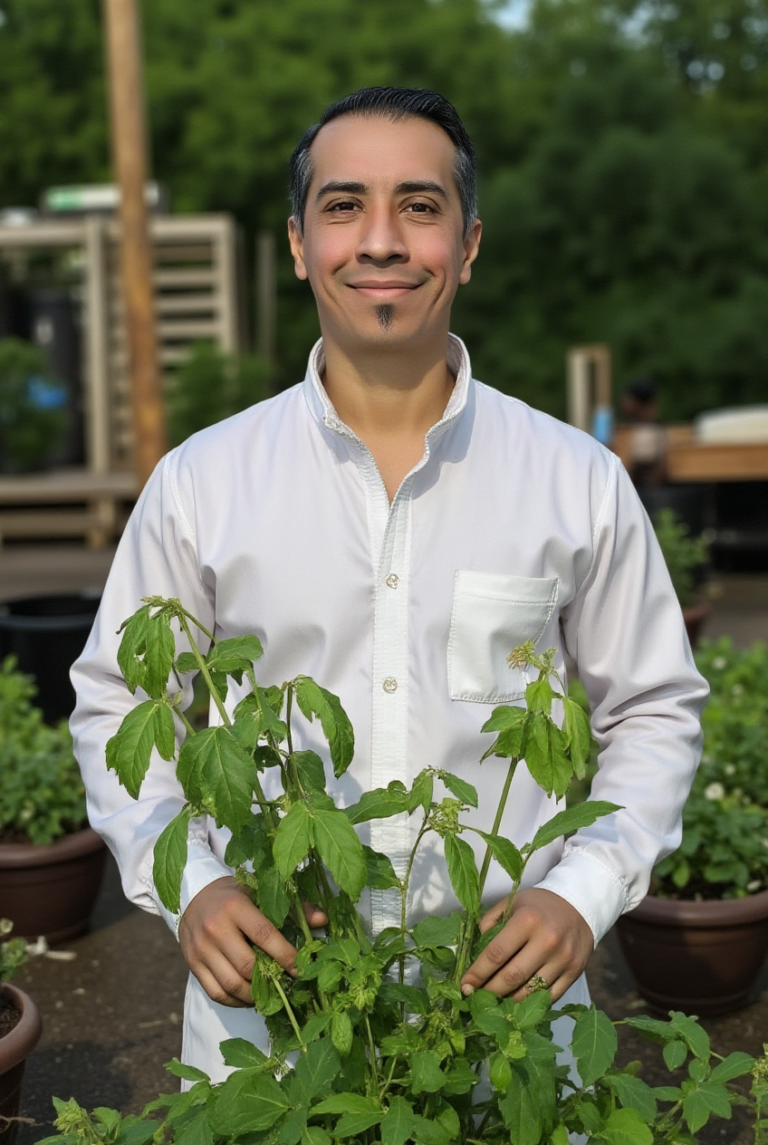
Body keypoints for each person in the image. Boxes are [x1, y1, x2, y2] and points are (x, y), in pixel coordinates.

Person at [71, 87, 707, 1081]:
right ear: (296, 244)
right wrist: (192, 884)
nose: (380, 240)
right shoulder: (203, 482)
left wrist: (580, 893)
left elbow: (655, 709)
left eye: (418, 205)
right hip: (274, 1015)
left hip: (507, 1009)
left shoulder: (574, 479)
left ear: (470, 242)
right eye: (341, 205)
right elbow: (121, 703)